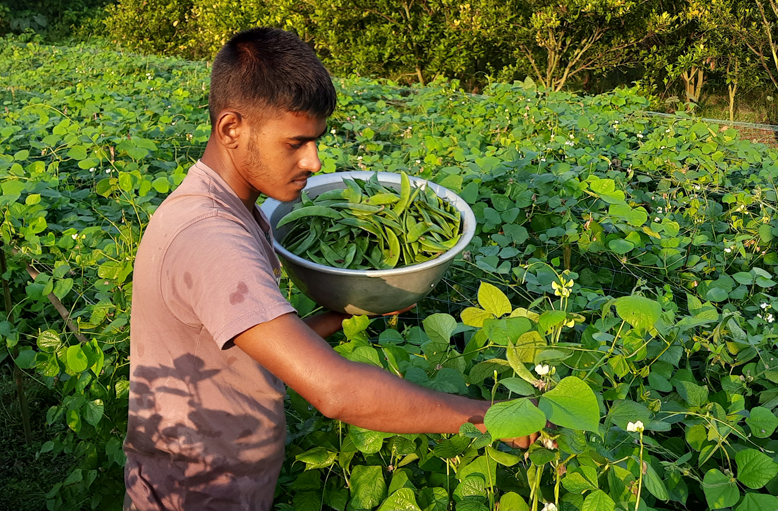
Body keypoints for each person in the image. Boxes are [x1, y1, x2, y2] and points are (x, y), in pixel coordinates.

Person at [123, 27, 536, 511]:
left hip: (217, 480)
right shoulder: (212, 240)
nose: (314, 161)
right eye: (295, 143)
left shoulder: (224, 208)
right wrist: (487, 416)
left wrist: (344, 313)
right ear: (231, 128)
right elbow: (336, 392)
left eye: (316, 141)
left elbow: (249, 349)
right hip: (190, 494)